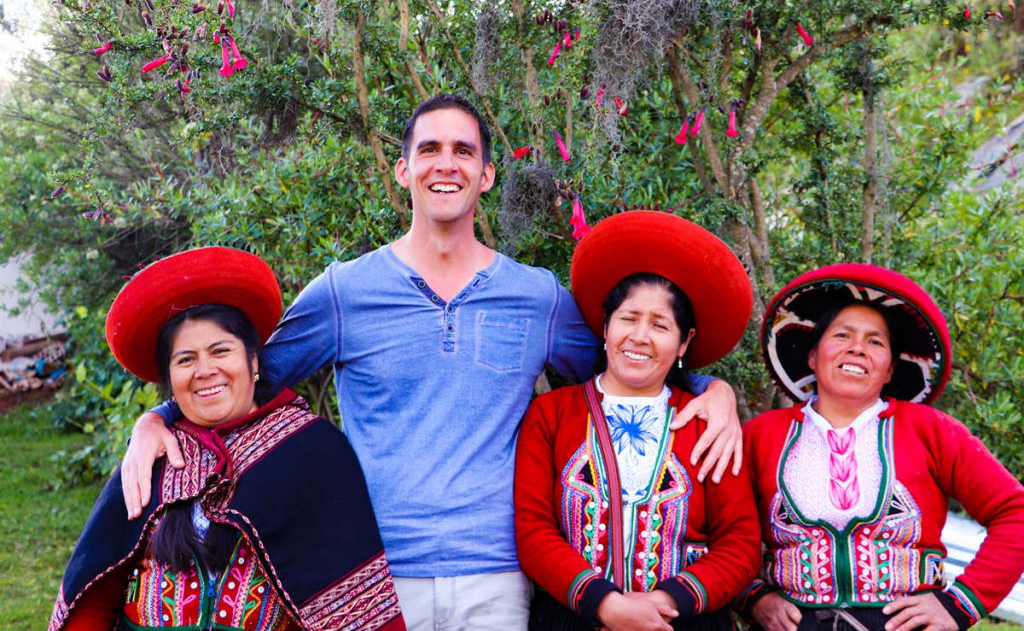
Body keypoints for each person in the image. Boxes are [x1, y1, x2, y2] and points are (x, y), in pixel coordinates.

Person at [119, 94, 743, 629]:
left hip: (498, 576)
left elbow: (626, 374)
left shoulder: (537, 298)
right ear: (403, 169)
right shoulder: (345, 292)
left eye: (464, 151)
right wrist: (162, 417)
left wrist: (710, 389)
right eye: (429, 150)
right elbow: (243, 383)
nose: (446, 164)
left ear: (487, 175)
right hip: (375, 570)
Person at [49, 247, 404, 631]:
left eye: (221, 351)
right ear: (170, 380)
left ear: (254, 362)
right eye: (185, 360)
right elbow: (95, 597)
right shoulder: (153, 458)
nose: (205, 370)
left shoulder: (312, 453)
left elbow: (358, 609)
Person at [739, 264, 1024, 631]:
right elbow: (719, 531)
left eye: (875, 342)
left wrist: (960, 604)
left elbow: (1015, 511)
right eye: (842, 335)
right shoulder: (759, 437)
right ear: (813, 356)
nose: (857, 348)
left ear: (890, 369)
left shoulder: (931, 431)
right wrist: (753, 597)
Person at [516, 211, 761, 630]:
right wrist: (604, 603)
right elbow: (533, 528)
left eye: (660, 325)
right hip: (574, 618)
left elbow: (740, 543)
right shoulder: (552, 414)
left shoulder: (707, 422)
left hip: (683, 621)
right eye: (629, 318)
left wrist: (667, 601)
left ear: (684, 341)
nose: (640, 336)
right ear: (606, 325)